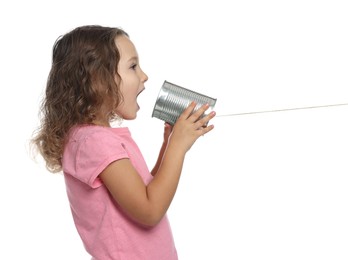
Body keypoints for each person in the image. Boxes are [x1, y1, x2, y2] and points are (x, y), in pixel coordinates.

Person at [32, 25, 215, 260]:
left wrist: (170, 145)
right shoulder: (95, 142)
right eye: (133, 66)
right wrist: (177, 147)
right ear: (98, 80)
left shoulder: (94, 138)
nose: (144, 75)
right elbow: (149, 211)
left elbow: (145, 191)